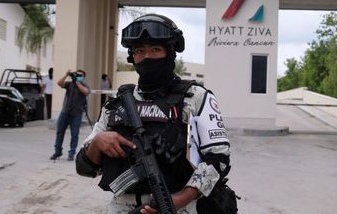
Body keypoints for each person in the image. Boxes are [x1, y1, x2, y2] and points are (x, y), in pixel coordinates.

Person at [75, 14, 233, 214]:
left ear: (170, 52)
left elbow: (218, 160)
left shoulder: (195, 97)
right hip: (122, 208)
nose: (147, 56)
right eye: (140, 50)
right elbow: (84, 167)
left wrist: (179, 200)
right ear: (132, 57)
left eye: (155, 49)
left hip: (178, 207)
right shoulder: (117, 103)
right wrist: (98, 142)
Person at [51, 69, 90, 161]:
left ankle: (71, 153)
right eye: (77, 74)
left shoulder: (84, 85)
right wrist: (66, 75)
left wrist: (77, 83)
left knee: (74, 134)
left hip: (76, 114)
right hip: (64, 112)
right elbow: (59, 83)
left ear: (83, 77)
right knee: (60, 132)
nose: (78, 76)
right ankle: (57, 152)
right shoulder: (70, 84)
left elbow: (86, 92)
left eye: (80, 75)